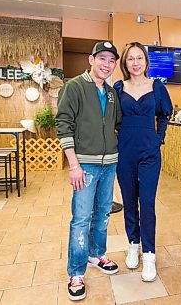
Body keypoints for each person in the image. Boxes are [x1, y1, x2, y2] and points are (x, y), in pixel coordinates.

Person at [56, 41, 122, 301]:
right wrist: (74, 164)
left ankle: (96, 255)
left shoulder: (111, 93)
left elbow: (116, 123)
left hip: (109, 164)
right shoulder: (73, 87)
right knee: (81, 218)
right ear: (91, 59)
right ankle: (76, 272)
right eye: (103, 58)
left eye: (112, 61)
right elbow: (63, 125)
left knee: (103, 213)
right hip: (84, 165)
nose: (107, 64)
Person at [113, 42, 173, 282]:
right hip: (125, 151)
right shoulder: (118, 88)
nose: (135, 63)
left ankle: (149, 254)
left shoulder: (157, 87)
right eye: (130, 59)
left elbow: (164, 116)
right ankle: (133, 244)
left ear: (146, 61)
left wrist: (158, 139)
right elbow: (112, 119)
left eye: (139, 58)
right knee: (129, 201)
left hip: (149, 153)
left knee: (146, 202)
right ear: (125, 63)